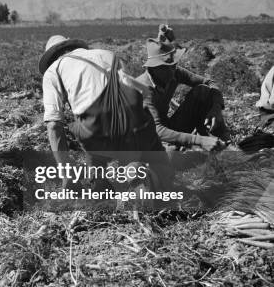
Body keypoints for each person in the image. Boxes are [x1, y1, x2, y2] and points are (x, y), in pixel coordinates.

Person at [39, 35, 173, 190]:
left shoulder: (53, 71)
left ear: (52, 58)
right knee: (160, 169)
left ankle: (114, 183)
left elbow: (54, 125)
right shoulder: (107, 54)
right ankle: (149, 178)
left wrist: (66, 174)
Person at [134, 24, 229, 151]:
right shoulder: (144, 88)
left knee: (203, 91)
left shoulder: (174, 72)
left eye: (174, 65)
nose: (172, 70)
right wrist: (197, 141)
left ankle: (223, 142)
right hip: (144, 140)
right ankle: (201, 144)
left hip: (167, 127)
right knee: (172, 155)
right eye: (167, 67)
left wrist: (216, 108)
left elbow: (210, 83)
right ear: (154, 68)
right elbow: (157, 130)